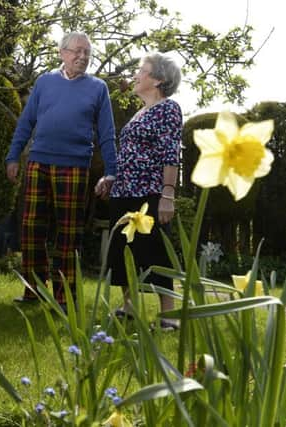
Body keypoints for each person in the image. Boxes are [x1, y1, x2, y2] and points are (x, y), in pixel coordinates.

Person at [6, 31, 117, 310]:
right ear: (62, 53)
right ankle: (33, 291)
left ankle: (65, 297)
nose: (82, 57)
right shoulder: (44, 82)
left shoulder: (98, 88)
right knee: (31, 229)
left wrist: (112, 171)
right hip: (38, 163)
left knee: (69, 234)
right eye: (77, 51)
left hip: (75, 166)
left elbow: (107, 133)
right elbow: (26, 122)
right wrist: (13, 156)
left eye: (87, 53)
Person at [95, 52, 182, 330]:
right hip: (124, 191)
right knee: (124, 251)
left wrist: (167, 194)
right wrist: (111, 177)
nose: (135, 74)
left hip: (150, 192)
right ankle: (129, 307)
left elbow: (170, 153)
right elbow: (130, 154)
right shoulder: (140, 111)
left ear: (158, 79)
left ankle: (168, 317)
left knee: (156, 251)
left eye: (141, 70)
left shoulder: (169, 108)